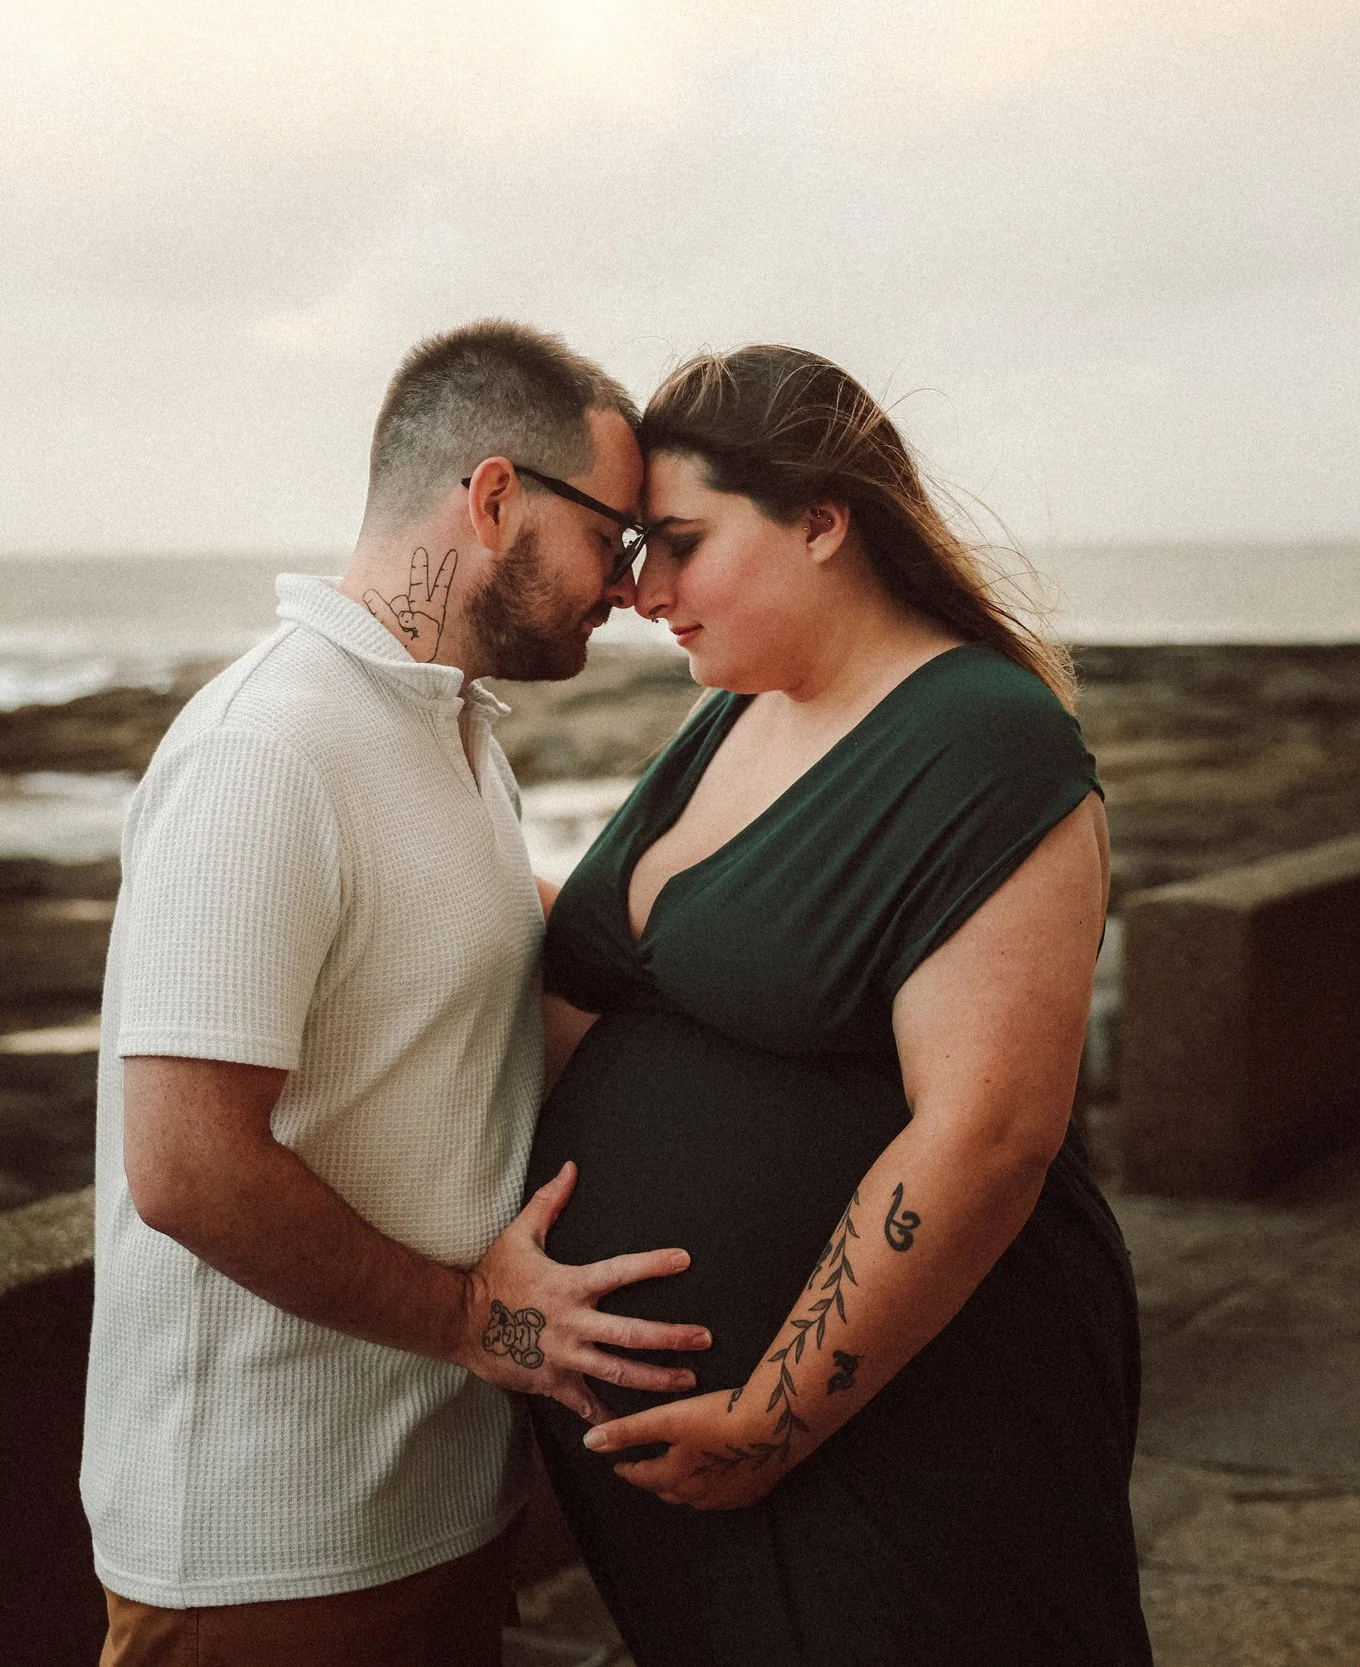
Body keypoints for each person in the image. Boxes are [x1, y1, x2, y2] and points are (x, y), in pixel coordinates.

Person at [81, 319, 712, 1667]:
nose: (628, 587)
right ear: (494, 499)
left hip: (434, 1511)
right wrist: (477, 1320)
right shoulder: (269, 748)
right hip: (268, 1555)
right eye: (616, 535)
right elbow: (187, 1165)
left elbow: (484, 1017)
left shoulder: (452, 736)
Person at [526, 346, 1154, 1664]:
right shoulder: (741, 708)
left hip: (898, 1429)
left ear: (821, 518)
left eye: (682, 544)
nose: (642, 591)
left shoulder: (980, 735)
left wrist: (772, 1418)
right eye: (637, 549)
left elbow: (987, 1132)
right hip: (681, 1446)